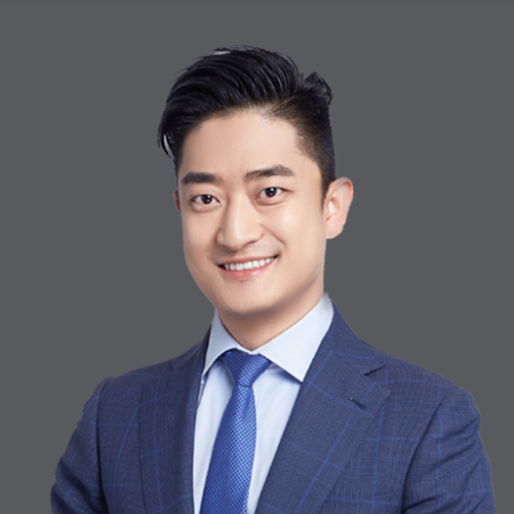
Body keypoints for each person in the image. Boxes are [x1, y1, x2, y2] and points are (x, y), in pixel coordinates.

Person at [51, 46, 494, 514]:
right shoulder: (114, 415)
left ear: (333, 207)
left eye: (270, 191)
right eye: (205, 198)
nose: (235, 233)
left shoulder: (429, 419)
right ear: (179, 207)